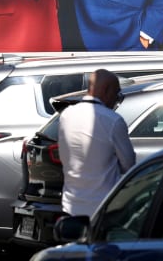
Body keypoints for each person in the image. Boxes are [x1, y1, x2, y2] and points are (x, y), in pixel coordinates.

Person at [57, 69, 136, 217]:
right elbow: (129, 165)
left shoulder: (66, 115)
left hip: (70, 207)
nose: (116, 99)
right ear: (107, 90)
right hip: (102, 209)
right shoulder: (113, 120)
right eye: (116, 93)